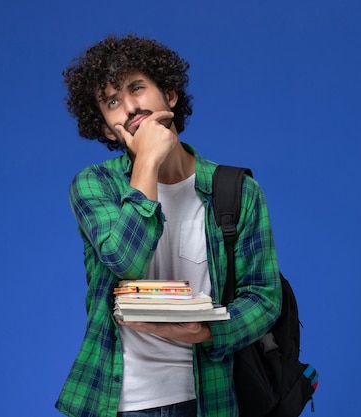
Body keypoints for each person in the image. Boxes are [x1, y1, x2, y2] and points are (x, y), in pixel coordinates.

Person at [56, 34, 281, 417]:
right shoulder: (95, 185)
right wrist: (146, 162)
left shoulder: (237, 191)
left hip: (209, 397)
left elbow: (264, 296)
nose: (129, 107)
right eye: (112, 102)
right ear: (108, 129)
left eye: (137, 88)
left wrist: (208, 332)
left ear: (171, 95)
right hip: (121, 402)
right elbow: (125, 261)